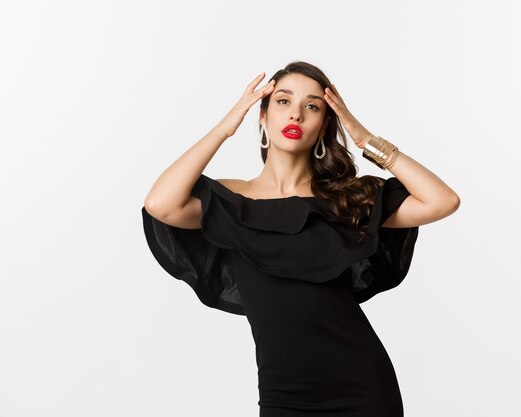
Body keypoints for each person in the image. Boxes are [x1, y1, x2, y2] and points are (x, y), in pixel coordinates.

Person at [141, 61, 460, 416]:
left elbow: (442, 201)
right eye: (282, 102)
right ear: (262, 115)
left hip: (361, 388)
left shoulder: (346, 202)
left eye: (312, 107)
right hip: (284, 395)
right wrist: (223, 129)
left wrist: (366, 140)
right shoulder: (230, 203)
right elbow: (160, 204)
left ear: (324, 125)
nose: (295, 115)